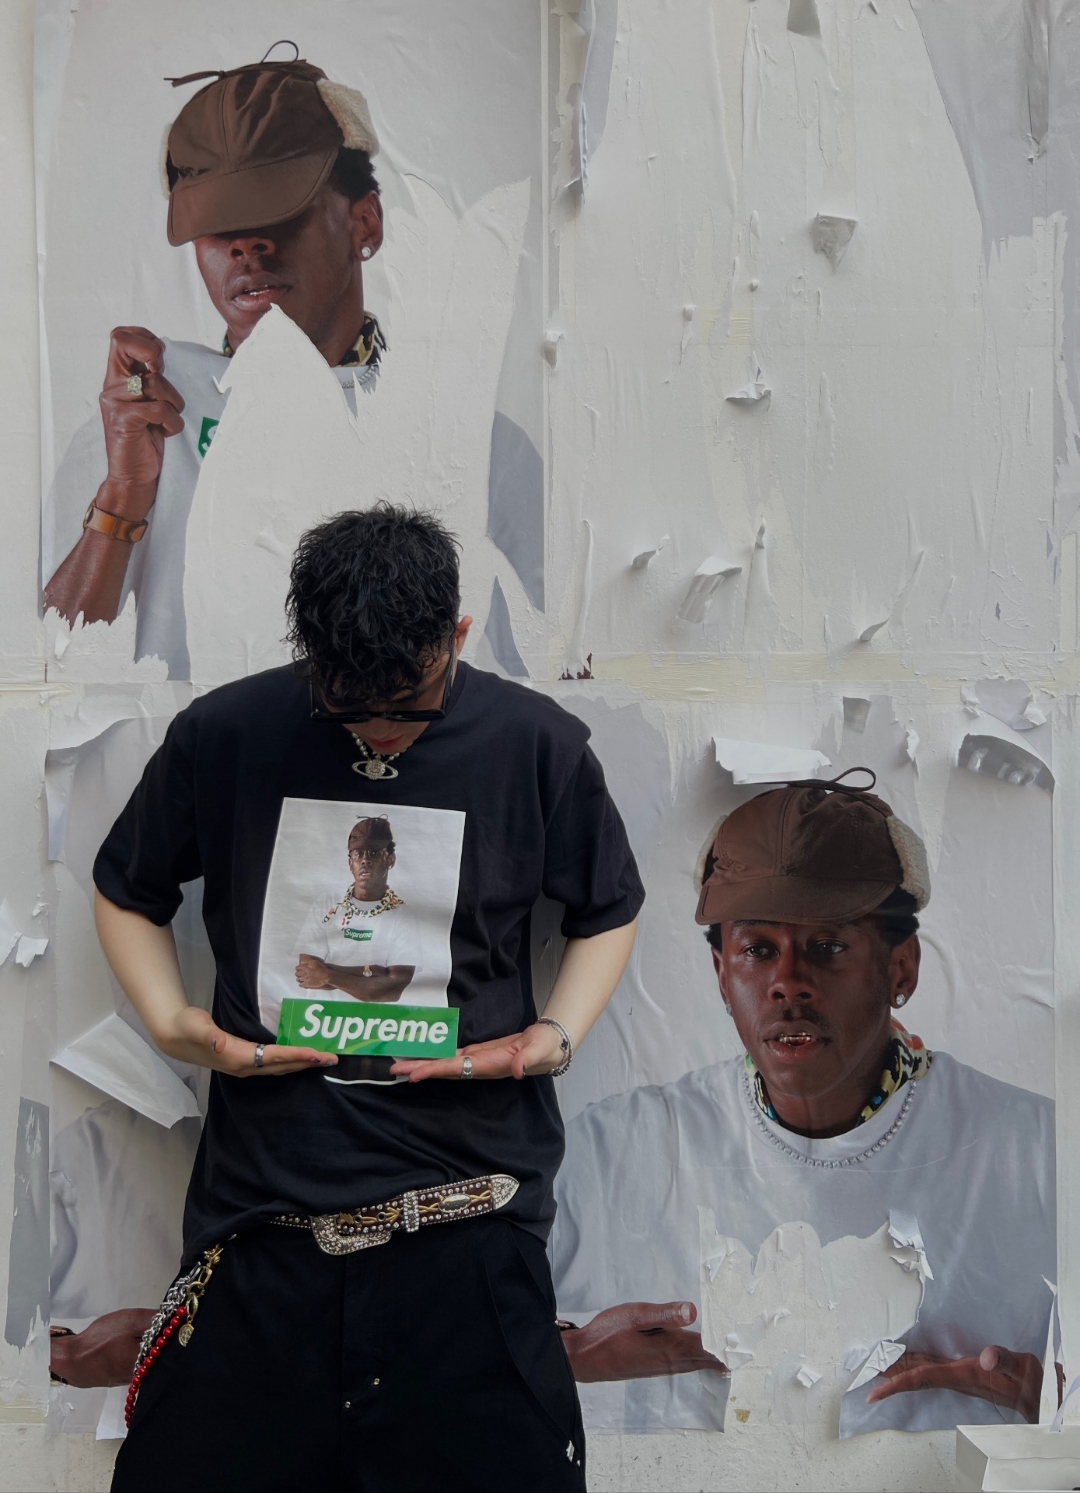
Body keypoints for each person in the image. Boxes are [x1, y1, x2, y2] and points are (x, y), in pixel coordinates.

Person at [89, 503, 642, 1492]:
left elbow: (610, 905)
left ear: (458, 635)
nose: (382, 730)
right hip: (263, 1227)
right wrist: (176, 1024)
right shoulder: (229, 732)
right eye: (348, 706)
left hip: (470, 1228)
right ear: (311, 656)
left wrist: (552, 1036)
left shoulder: (536, 744)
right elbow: (128, 884)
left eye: (412, 702)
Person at [550, 773, 1056, 1437]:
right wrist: (556, 1354)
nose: (788, 982)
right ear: (722, 975)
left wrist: (1059, 1402)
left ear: (901, 967)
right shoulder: (616, 1153)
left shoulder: (1041, 1156)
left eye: (828, 946)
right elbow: (438, 1354)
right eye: (758, 950)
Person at [42, 49, 386, 676]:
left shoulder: (452, 425)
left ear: (364, 222)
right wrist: (125, 492)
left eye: (281, 207)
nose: (245, 244)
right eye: (217, 222)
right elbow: (51, 669)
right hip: (200, 743)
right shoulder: (143, 415)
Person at [293, 816, 417, 1004]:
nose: (365, 860)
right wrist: (373, 971)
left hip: (375, 1019)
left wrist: (327, 975)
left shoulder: (403, 915)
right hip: (321, 1015)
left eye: (374, 853)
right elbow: (307, 974)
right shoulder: (326, 904)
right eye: (358, 853)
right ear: (350, 863)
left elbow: (391, 991)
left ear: (390, 860)